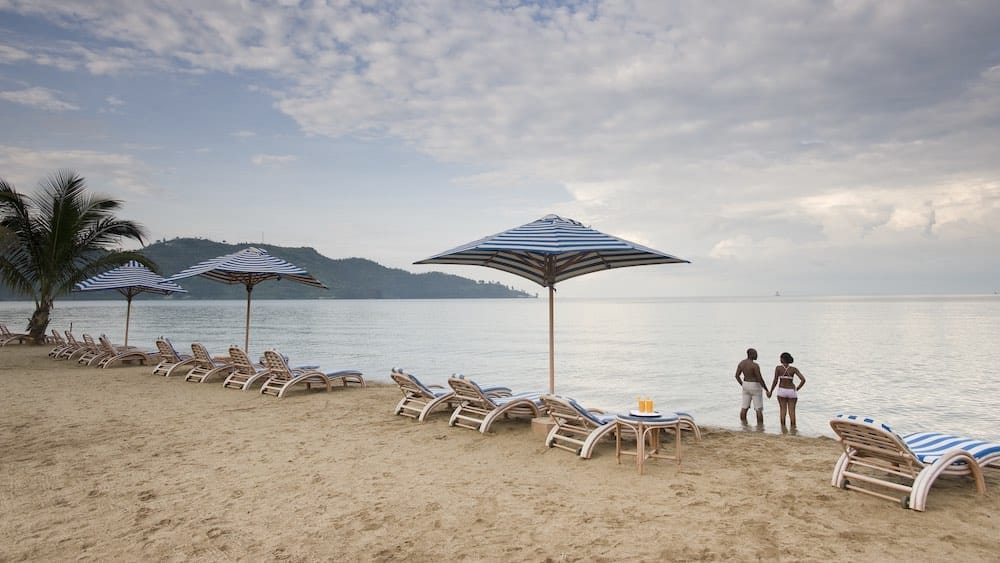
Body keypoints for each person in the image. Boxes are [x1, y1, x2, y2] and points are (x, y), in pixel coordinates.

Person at [767, 352, 806, 429]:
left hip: (781, 391)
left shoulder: (778, 368)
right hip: (791, 391)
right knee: (792, 412)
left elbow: (775, 380)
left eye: (780, 358)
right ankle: (793, 429)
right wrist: (797, 388)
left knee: (782, 410)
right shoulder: (793, 369)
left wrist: (771, 391)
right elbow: (803, 380)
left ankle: (783, 428)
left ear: (782, 359)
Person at [734, 348, 766, 425]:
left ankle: (743, 425)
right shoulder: (755, 365)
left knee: (744, 407)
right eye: (756, 354)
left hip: (745, 384)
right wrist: (766, 389)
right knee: (758, 408)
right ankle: (760, 426)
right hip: (755, 385)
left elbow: (737, 376)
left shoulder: (742, 363)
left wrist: (742, 384)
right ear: (751, 355)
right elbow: (759, 378)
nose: (757, 355)